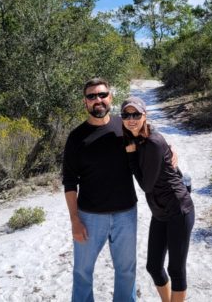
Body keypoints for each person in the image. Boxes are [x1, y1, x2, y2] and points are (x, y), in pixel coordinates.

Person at [62, 78, 138, 302]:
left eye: (102, 95)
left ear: (110, 98)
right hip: (89, 217)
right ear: (85, 102)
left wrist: (170, 149)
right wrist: (75, 220)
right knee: (82, 272)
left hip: (126, 214)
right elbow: (69, 183)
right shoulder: (76, 137)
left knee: (126, 271)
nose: (98, 100)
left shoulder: (125, 127)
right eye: (92, 96)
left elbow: (150, 142)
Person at [121, 96, 195, 302]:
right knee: (153, 266)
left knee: (176, 269)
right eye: (126, 115)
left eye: (136, 114)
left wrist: (131, 156)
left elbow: (146, 185)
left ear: (145, 115)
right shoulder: (134, 138)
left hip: (179, 210)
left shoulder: (152, 141)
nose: (131, 119)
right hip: (160, 211)